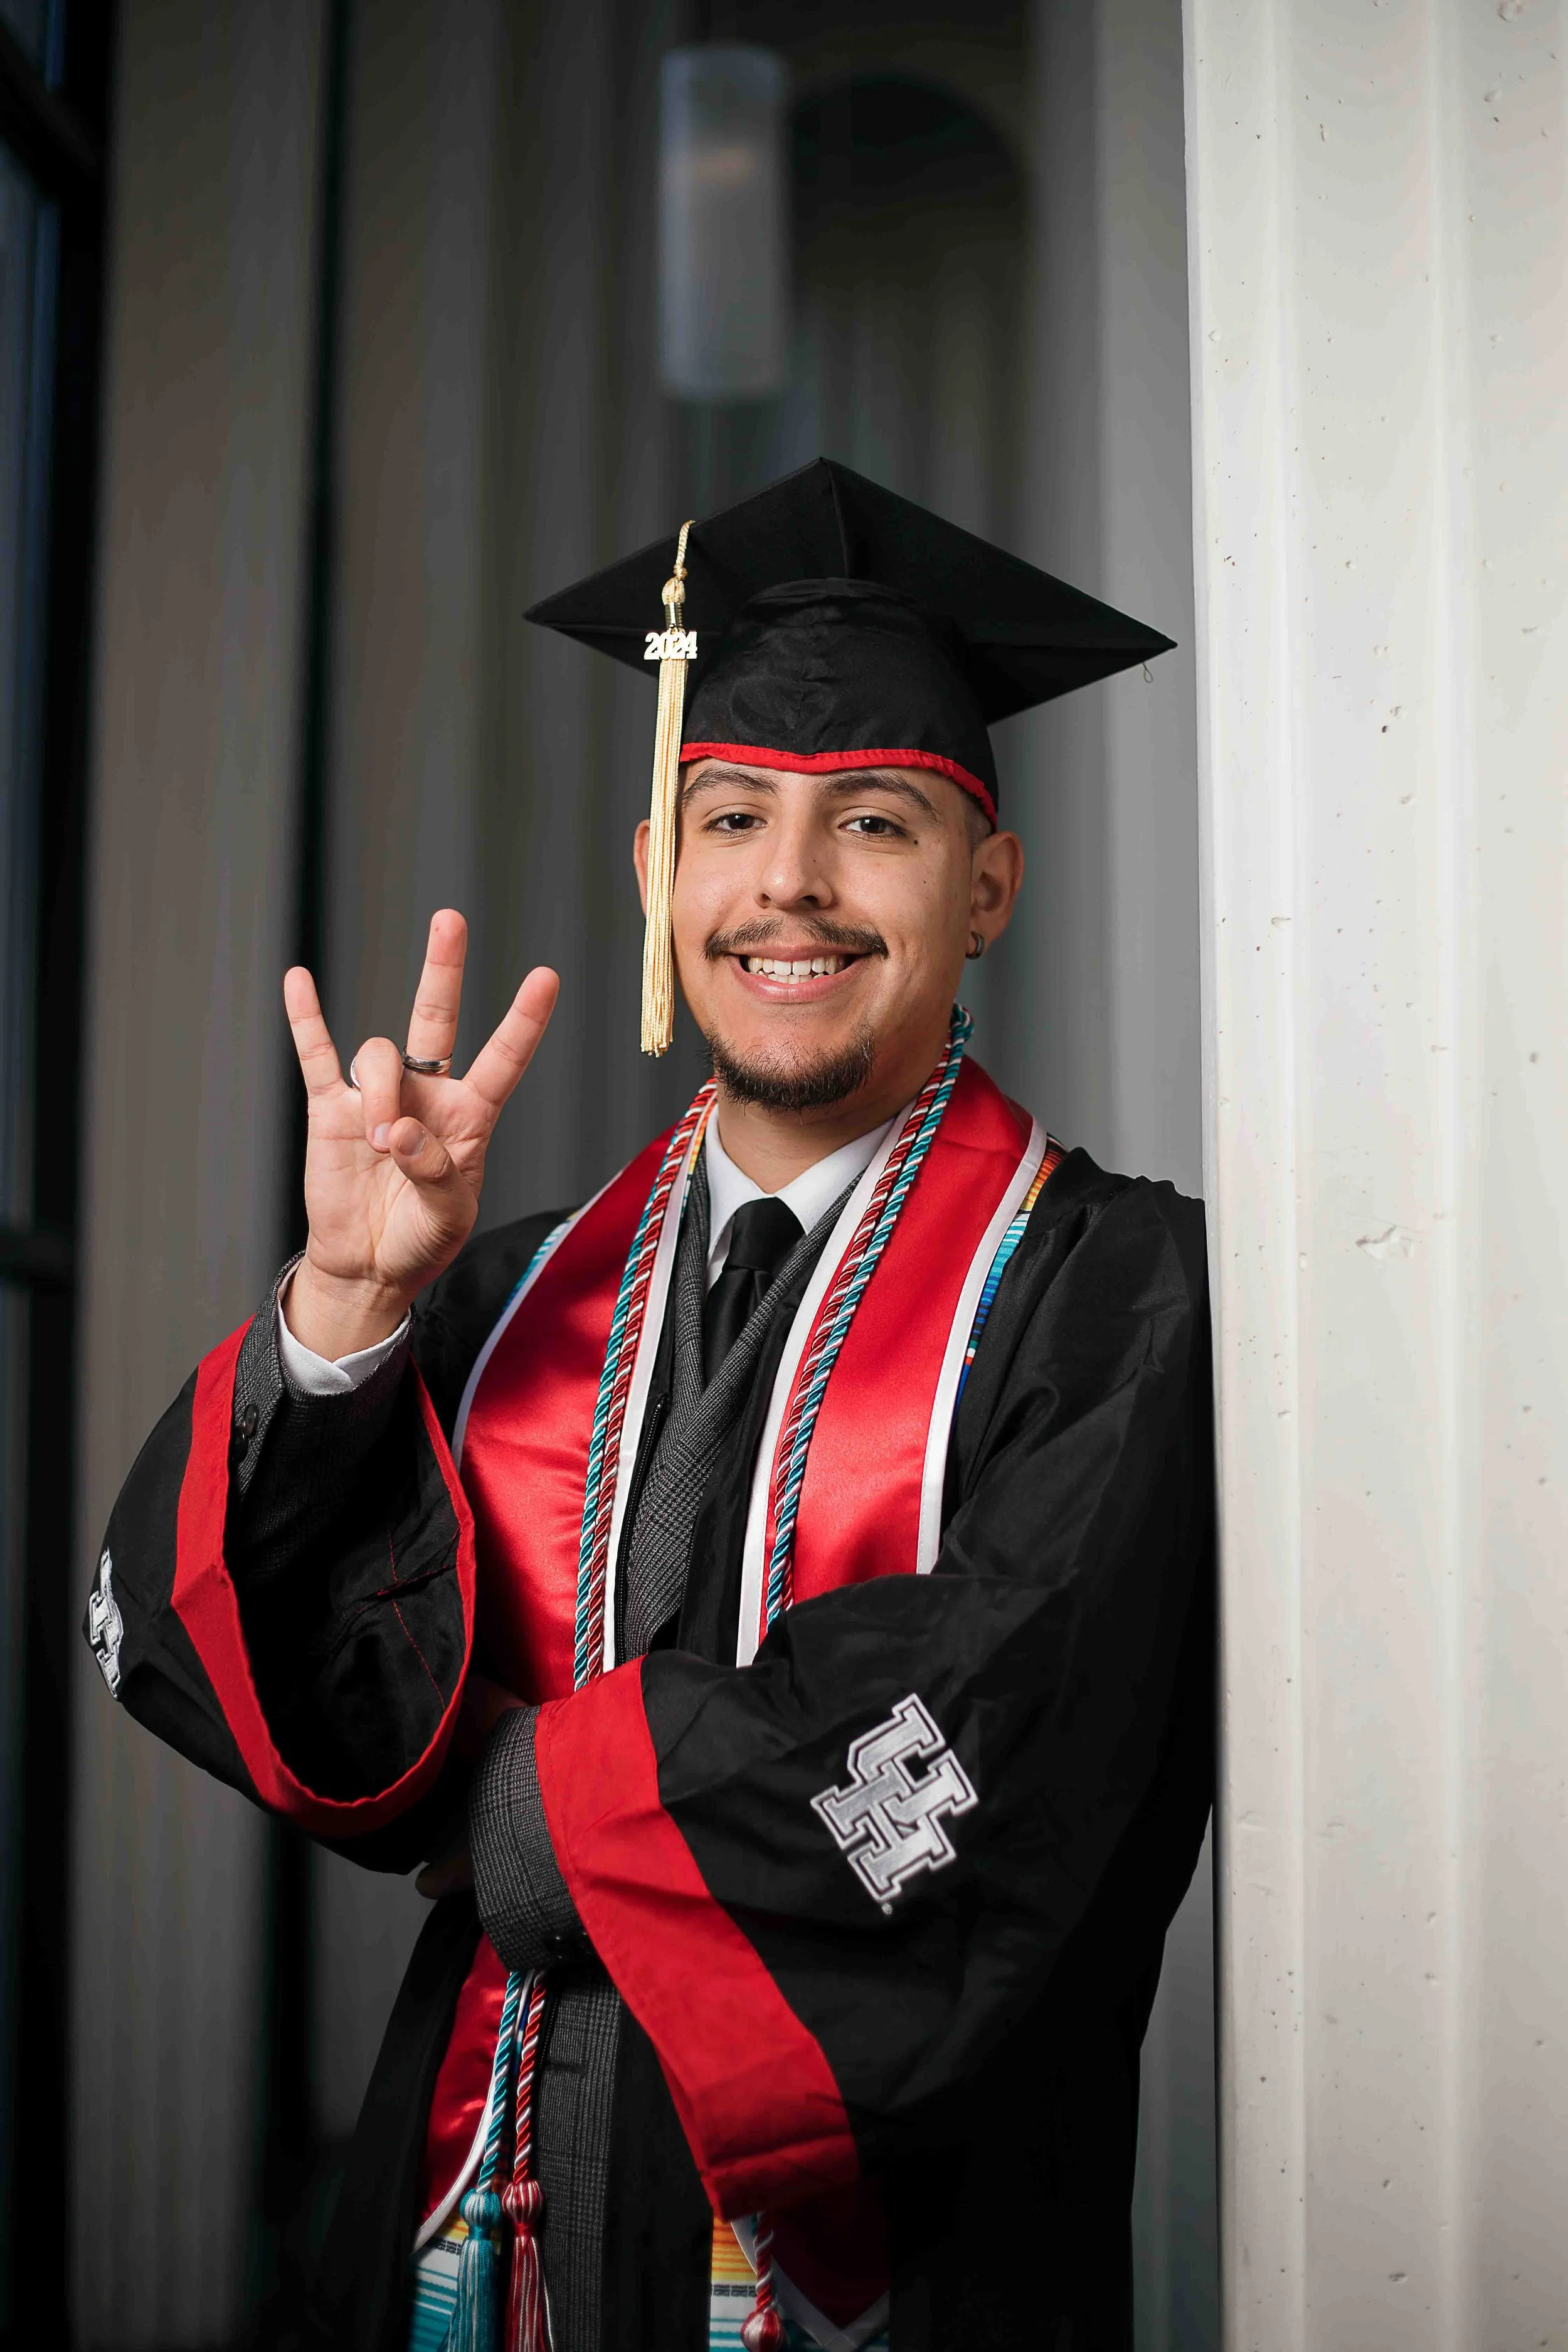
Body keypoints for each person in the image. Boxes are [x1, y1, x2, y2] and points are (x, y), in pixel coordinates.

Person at [87, 460, 1213, 2352]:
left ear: (988, 885)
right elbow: (293, 1675)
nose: (788, 883)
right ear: (654, 877)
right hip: (470, 2213)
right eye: (730, 817)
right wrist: (353, 1309)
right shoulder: (515, 1286)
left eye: (874, 821)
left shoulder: (1115, 1291)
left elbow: (1012, 1727)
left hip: (900, 2271)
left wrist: (531, 1806)